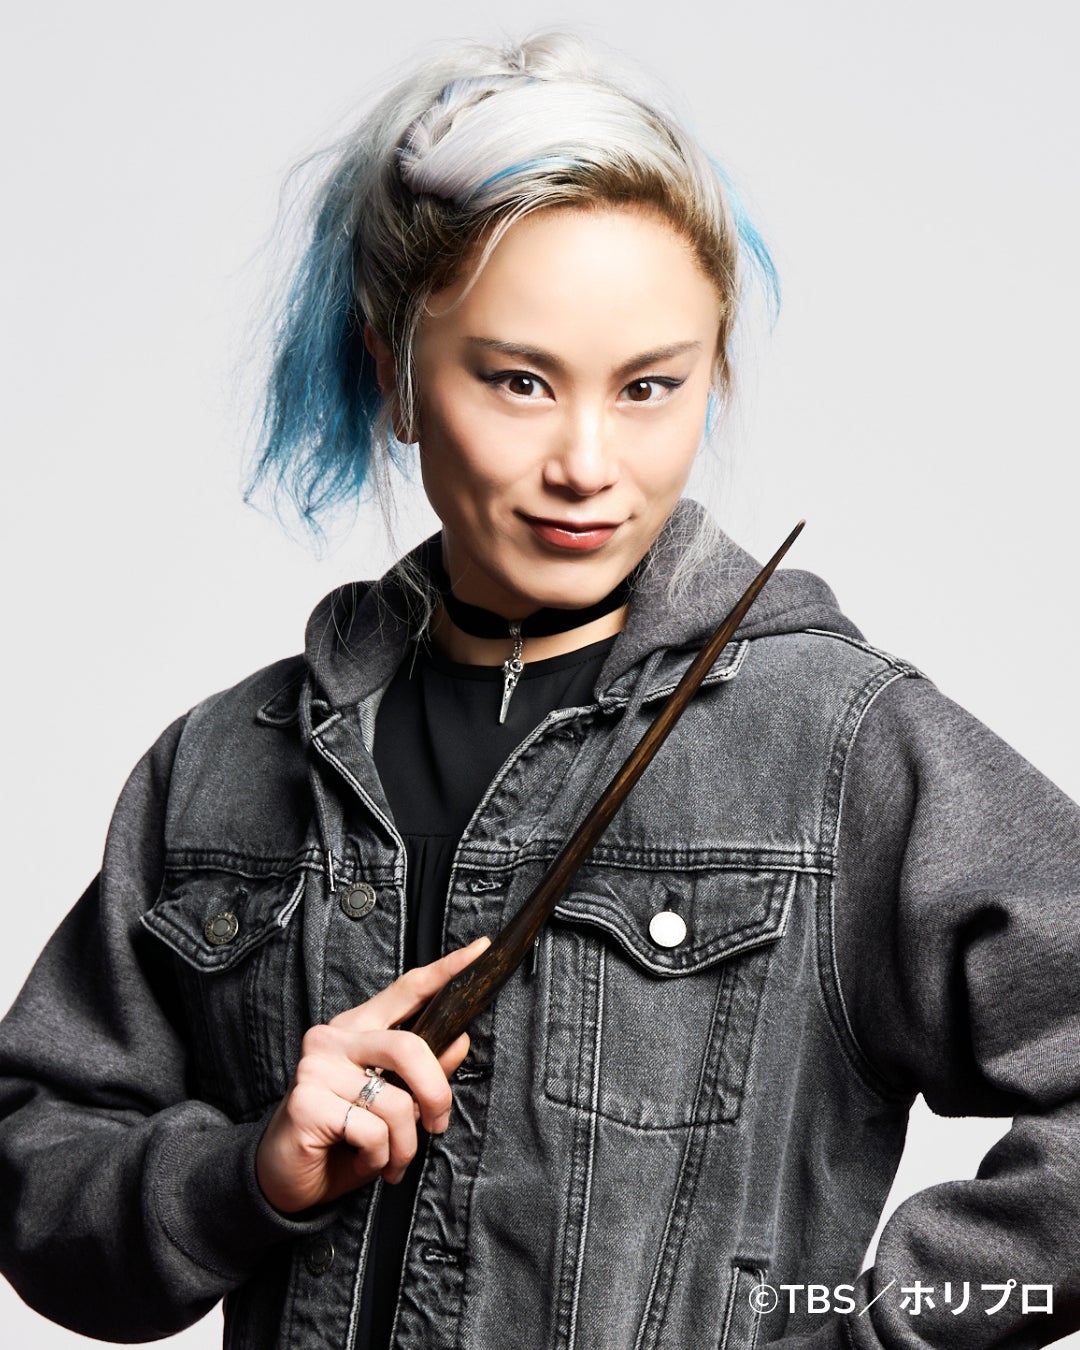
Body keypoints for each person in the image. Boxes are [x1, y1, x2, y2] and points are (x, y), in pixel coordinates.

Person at [0, 28, 1077, 1350]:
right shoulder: (227, 763)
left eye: (649, 387)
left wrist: (865, 1332)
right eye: (519, 381)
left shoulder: (834, 747)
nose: (587, 461)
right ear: (394, 369)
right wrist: (249, 1175)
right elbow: (39, 1172)